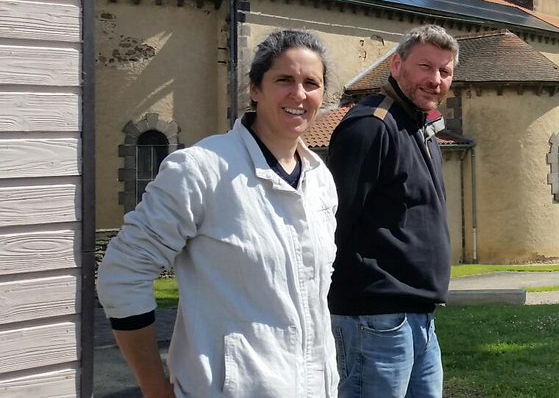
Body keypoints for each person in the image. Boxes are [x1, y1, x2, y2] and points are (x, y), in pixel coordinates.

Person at [96, 29, 338, 397]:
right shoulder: (201, 170)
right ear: (255, 89)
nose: (299, 95)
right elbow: (121, 274)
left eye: (311, 83)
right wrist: (154, 388)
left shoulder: (320, 180)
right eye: (284, 80)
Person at [326, 23, 459, 398]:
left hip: (419, 317)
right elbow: (335, 222)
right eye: (425, 67)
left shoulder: (421, 128)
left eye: (444, 71)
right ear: (397, 66)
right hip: (374, 318)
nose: (435, 79)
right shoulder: (370, 127)